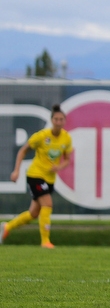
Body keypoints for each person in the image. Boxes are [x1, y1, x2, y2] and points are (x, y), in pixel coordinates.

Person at [3, 105, 74, 248]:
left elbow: (67, 159)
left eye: (61, 119)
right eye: (56, 119)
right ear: (52, 120)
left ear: (64, 121)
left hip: (49, 178)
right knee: (47, 204)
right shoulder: (42, 136)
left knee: (34, 213)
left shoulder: (66, 138)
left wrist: (58, 167)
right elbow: (23, 151)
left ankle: (6, 227)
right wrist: (16, 170)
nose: (58, 122)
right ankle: (45, 241)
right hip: (35, 174)